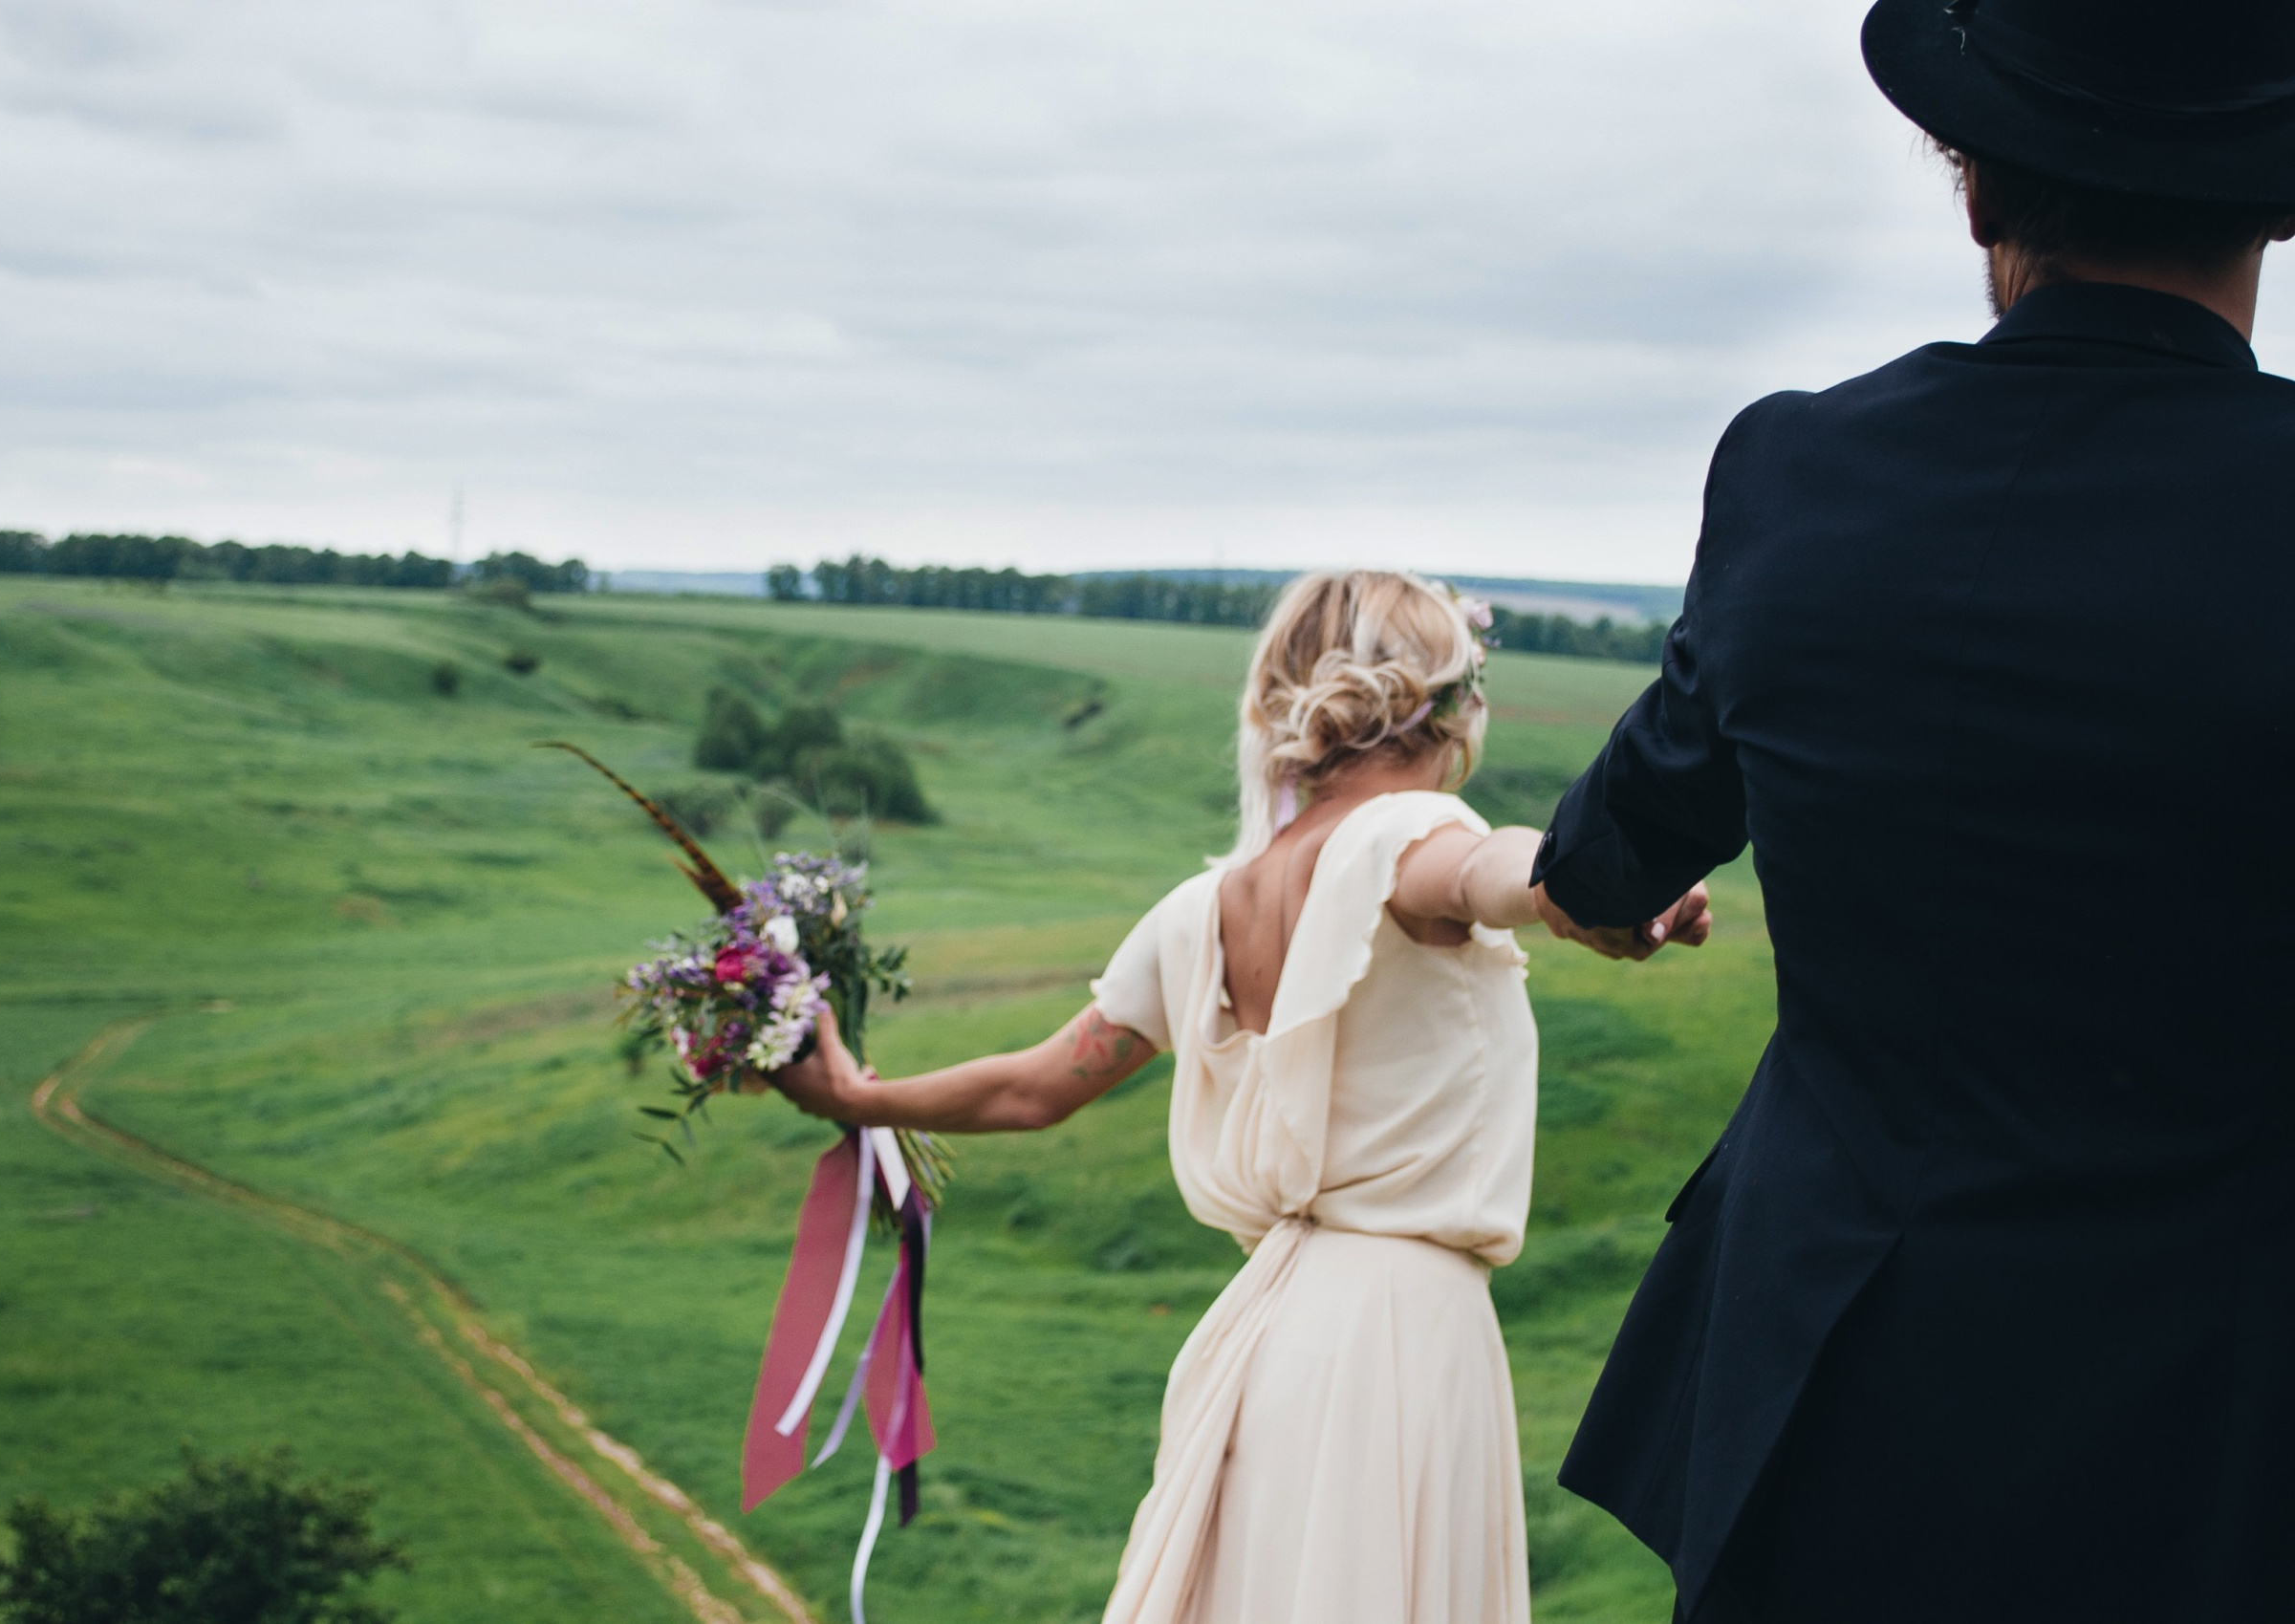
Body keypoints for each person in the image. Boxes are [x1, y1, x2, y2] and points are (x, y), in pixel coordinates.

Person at [1527, 3, 2295, 1620]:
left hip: (1830, 1382)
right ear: (2277, 206)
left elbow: (1604, 862)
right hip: (2221, 1424)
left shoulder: (1801, 470)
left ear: (1980, 194)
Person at [779, 570, 1709, 1624]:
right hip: (1396, 1346)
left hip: (1265, 1344)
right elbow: (1494, 871)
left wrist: (857, 1092)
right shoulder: (1408, 834)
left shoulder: (1204, 906)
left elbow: (1034, 1085)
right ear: (1451, 706)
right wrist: (1594, 887)